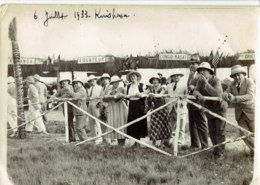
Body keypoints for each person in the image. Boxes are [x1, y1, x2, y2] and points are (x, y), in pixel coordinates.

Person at [193, 62, 228, 158]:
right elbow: (195, 90)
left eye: (204, 70)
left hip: (220, 108)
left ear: (209, 71)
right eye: (200, 70)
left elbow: (217, 94)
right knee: (212, 132)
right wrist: (198, 95)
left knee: (220, 131)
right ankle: (216, 150)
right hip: (209, 109)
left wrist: (206, 84)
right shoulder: (199, 81)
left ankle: (221, 153)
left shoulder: (216, 79)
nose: (201, 72)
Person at [222, 65, 255, 151]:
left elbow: (250, 96)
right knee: (244, 135)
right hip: (239, 114)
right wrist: (225, 95)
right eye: (234, 76)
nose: (237, 77)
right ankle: (255, 151)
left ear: (243, 74)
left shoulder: (249, 82)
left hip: (251, 112)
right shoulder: (232, 84)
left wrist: (235, 98)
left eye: (239, 75)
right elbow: (225, 92)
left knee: (255, 133)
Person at [187, 57, 208, 150]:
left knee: (201, 124)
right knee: (192, 124)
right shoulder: (191, 74)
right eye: (191, 63)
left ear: (198, 65)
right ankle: (195, 144)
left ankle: (204, 145)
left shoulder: (201, 74)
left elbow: (203, 87)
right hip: (191, 103)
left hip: (198, 102)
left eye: (194, 63)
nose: (191, 65)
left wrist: (194, 87)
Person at [146, 75, 171, 146]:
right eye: (153, 80)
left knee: (163, 125)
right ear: (152, 81)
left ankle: (162, 144)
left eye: (156, 80)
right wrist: (139, 94)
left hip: (162, 109)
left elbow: (161, 94)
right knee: (154, 126)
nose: (155, 81)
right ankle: (153, 143)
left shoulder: (162, 88)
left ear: (159, 81)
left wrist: (153, 94)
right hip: (154, 109)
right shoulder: (150, 88)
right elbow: (145, 93)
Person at [103, 75, 128, 146]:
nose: (116, 83)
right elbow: (104, 98)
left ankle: (122, 143)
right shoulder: (109, 89)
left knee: (122, 123)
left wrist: (111, 97)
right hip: (112, 108)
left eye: (117, 82)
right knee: (114, 125)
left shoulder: (122, 88)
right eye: (114, 82)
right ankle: (117, 142)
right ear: (112, 83)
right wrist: (111, 96)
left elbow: (118, 97)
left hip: (121, 108)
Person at [125, 70, 148, 146]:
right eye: (131, 77)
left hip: (140, 105)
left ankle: (138, 142)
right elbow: (126, 96)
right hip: (132, 105)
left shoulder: (141, 85)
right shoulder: (128, 86)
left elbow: (146, 94)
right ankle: (135, 141)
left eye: (134, 76)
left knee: (139, 122)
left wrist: (141, 94)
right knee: (133, 123)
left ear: (137, 77)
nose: (133, 78)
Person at [166, 72, 188, 146]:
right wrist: (167, 104)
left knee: (181, 127)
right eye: (174, 76)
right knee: (170, 126)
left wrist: (183, 102)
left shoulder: (184, 85)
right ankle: (169, 141)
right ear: (172, 77)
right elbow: (166, 96)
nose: (176, 77)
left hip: (181, 108)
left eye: (178, 76)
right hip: (171, 108)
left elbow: (187, 96)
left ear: (180, 77)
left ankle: (180, 142)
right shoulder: (168, 86)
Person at [52, 77, 76, 142]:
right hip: (65, 108)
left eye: (65, 81)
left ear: (68, 82)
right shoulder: (61, 89)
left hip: (70, 107)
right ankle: (71, 137)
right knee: (68, 122)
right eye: (63, 82)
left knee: (69, 122)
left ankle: (71, 138)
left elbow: (66, 95)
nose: (64, 83)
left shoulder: (70, 88)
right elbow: (56, 94)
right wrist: (53, 97)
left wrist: (58, 98)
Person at [87, 75, 103, 145]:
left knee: (97, 121)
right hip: (90, 104)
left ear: (95, 80)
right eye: (90, 81)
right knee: (91, 121)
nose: (91, 82)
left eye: (93, 80)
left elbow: (101, 97)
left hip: (96, 104)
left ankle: (99, 138)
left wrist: (98, 102)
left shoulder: (99, 87)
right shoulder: (90, 88)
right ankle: (93, 137)